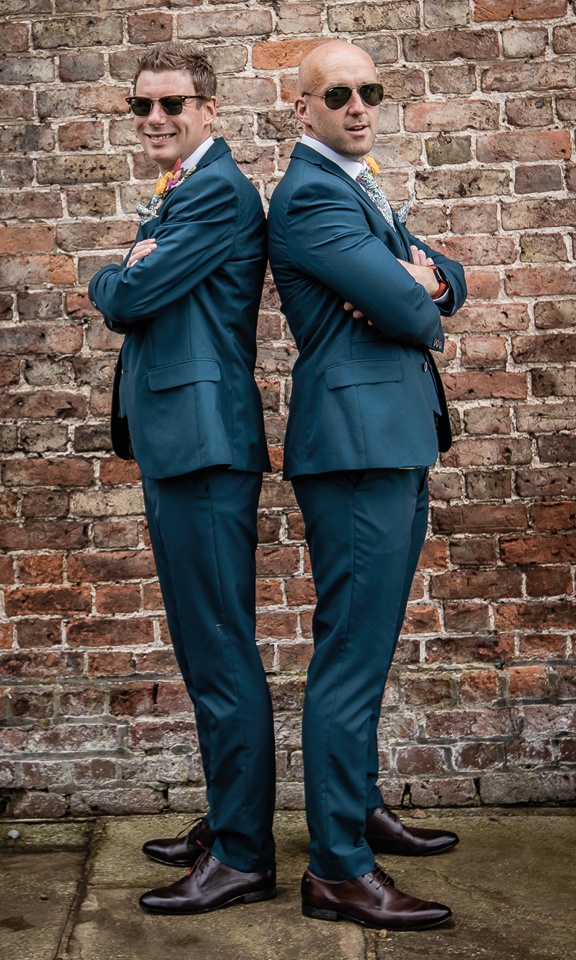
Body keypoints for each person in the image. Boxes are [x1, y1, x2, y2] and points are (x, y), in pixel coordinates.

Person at [267, 40, 467, 931]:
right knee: (348, 658)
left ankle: (360, 809)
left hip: (388, 439)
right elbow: (419, 311)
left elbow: (443, 280)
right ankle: (339, 871)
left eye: (369, 92)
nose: (358, 105)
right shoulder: (310, 194)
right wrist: (412, 288)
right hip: (353, 449)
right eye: (336, 93)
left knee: (369, 648)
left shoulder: (357, 187)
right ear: (301, 109)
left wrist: (416, 278)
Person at [88, 41, 277, 915]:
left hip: (205, 447)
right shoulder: (184, 188)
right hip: (181, 443)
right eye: (142, 106)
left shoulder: (216, 191)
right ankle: (225, 820)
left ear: (210, 111)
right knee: (207, 651)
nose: (155, 119)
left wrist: (110, 272)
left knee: (220, 652)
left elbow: (129, 299)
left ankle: (242, 853)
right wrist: (132, 265)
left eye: (173, 104)